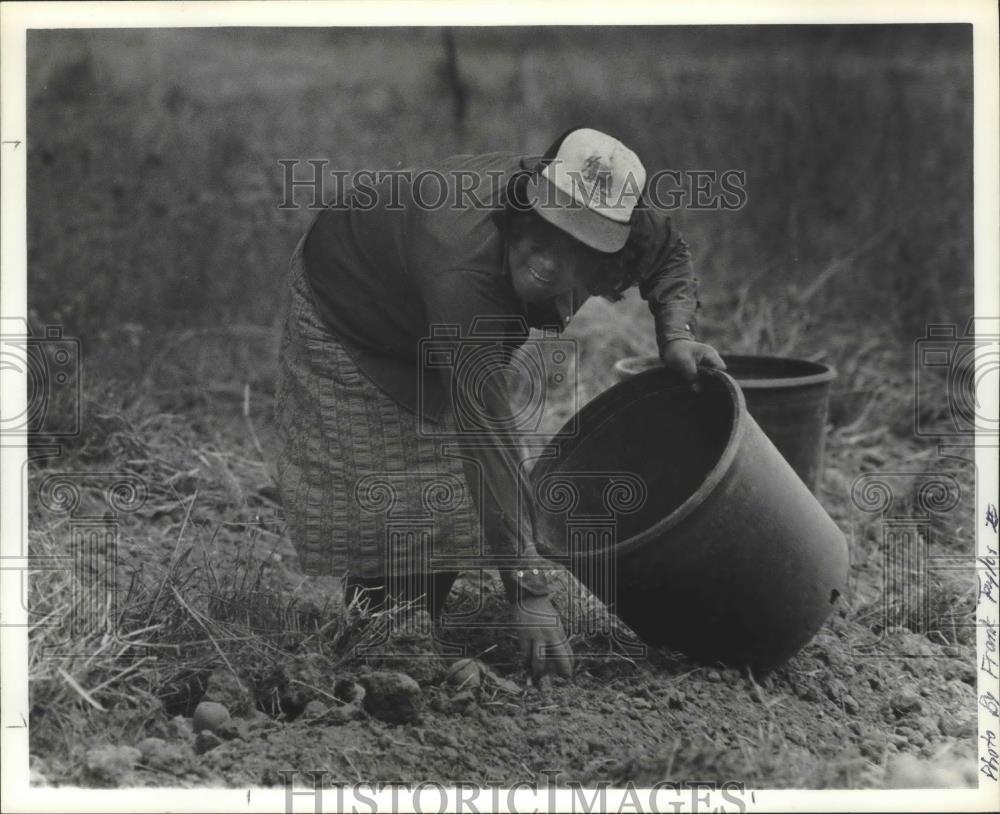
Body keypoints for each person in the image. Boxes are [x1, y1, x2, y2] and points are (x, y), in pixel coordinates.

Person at [275, 127, 725, 681]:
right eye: (547, 227)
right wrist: (529, 590)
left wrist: (675, 334)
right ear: (524, 202)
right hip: (351, 308)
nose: (552, 261)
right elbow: (485, 430)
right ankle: (380, 646)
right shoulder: (459, 261)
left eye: (581, 246)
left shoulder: (625, 214)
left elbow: (668, 255)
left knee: (445, 505)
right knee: (398, 489)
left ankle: (408, 631)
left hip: (434, 311)